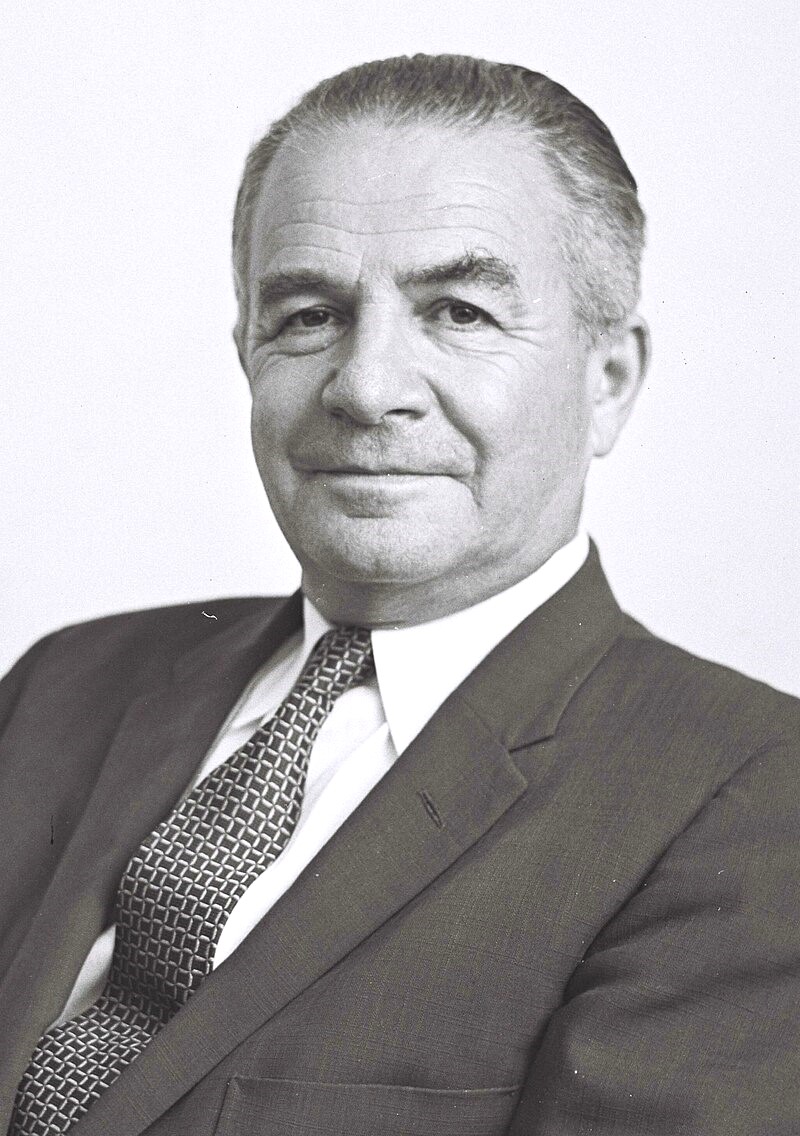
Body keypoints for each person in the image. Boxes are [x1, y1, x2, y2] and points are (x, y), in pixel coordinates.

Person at [1, 54, 797, 1136]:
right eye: (308, 315)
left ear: (607, 379)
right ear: (247, 356)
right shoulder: (62, 682)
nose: (367, 387)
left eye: (460, 311)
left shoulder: (751, 796)